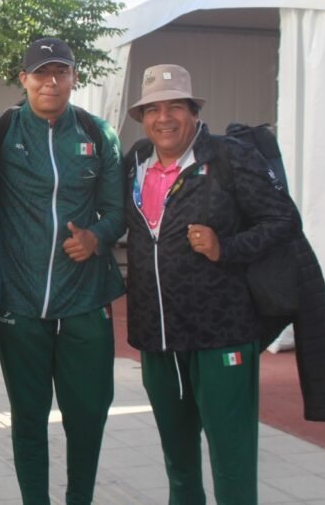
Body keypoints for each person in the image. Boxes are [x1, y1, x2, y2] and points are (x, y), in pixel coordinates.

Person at [123, 64, 298, 504]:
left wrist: (227, 247)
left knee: (232, 465)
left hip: (222, 336)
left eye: (175, 106)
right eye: (154, 109)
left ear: (194, 112)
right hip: (158, 338)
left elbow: (282, 219)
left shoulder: (228, 157)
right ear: (142, 118)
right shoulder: (135, 162)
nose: (164, 118)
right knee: (179, 467)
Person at [0, 38, 126, 504]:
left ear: (74, 78)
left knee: (87, 416)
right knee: (28, 417)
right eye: (41, 73)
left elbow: (117, 210)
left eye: (60, 72)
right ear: (23, 79)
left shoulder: (97, 132)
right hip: (20, 302)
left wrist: (97, 237)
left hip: (85, 300)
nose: (51, 81)